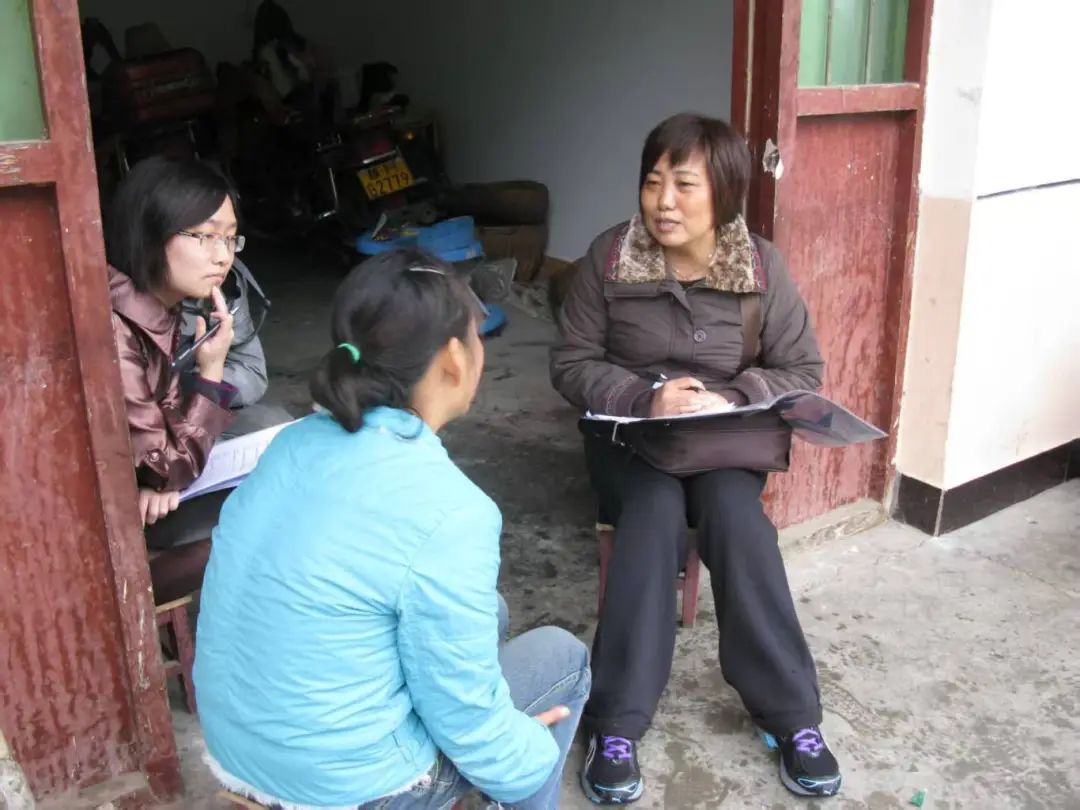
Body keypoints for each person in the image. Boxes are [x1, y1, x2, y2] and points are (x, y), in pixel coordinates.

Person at [193, 249, 591, 809]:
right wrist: (527, 751)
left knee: (490, 613)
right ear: (454, 358)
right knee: (562, 658)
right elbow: (470, 723)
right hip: (350, 789)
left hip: (238, 749)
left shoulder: (290, 444)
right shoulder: (451, 510)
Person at [550, 113, 840, 802]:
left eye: (685, 185)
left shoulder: (760, 267)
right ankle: (616, 723)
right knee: (650, 516)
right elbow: (570, 362)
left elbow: (802, 368)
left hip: (722, 444)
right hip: (633, 443)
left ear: (725, 194)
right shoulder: (609, 257)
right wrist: (642, 397)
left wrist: (733, 395)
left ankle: (792, 717)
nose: (664, 202)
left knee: (739, 522)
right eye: (653, 182)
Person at [106, 156, 241, 599]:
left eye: (230, 238)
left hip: (141, 503)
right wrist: (212, 371)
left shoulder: (156, 308)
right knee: (260, 517)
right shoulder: (113, 326)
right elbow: (167, 462)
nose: (222, 256)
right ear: (151, 230)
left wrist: (163, 474)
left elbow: (166, 448)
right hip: (103, 529)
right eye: (205, 236)